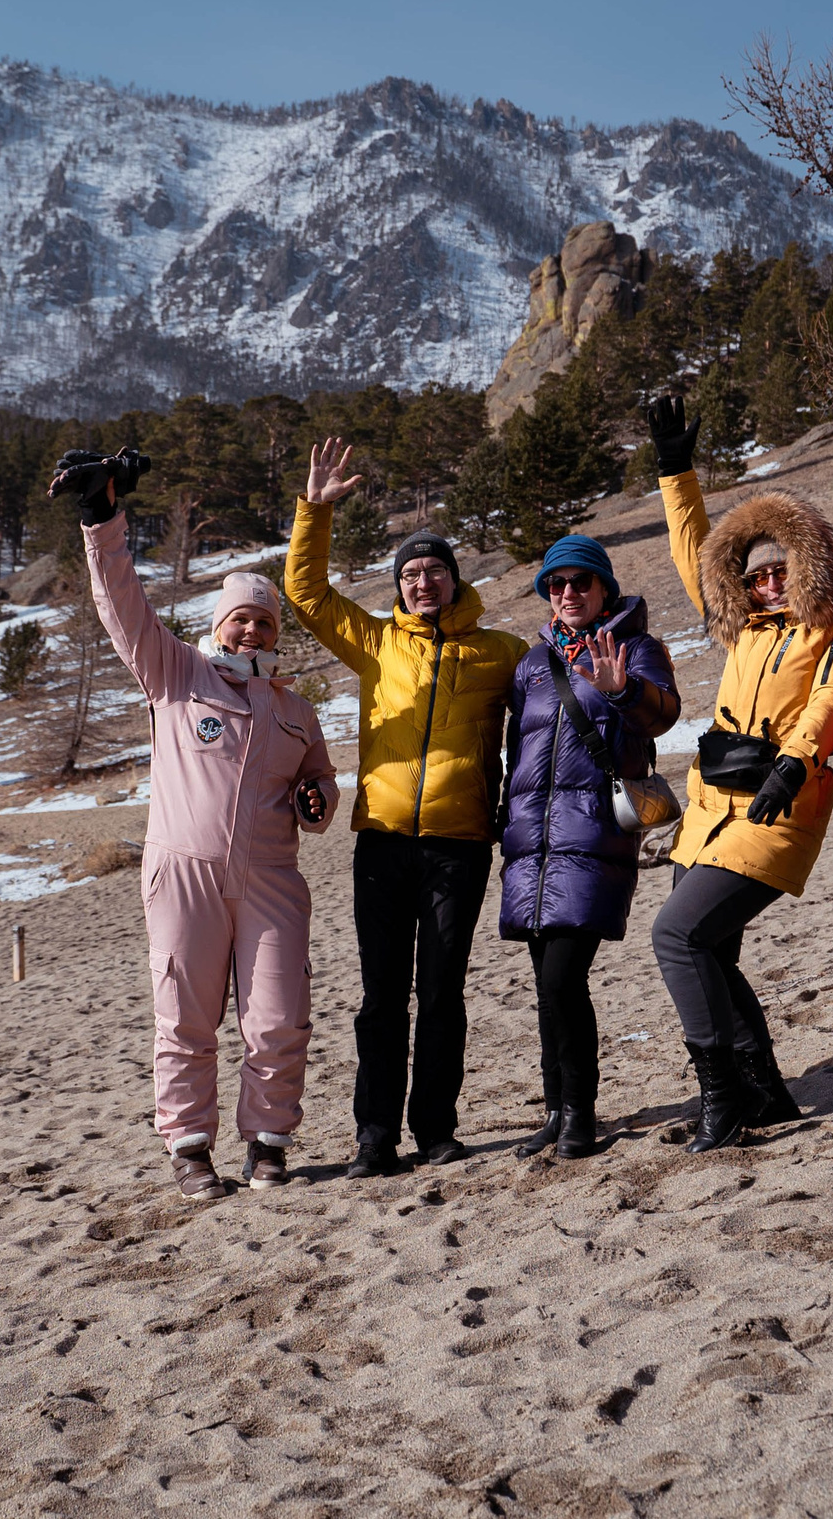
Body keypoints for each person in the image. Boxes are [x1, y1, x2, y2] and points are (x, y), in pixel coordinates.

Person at [50, 445, 339, 1200]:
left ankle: (269, 1145)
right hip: (184, 874)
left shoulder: (296, 710)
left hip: (273, 879)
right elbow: (122, 604)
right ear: (221, 625)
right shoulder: (177, 675)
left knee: (277, 1016)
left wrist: (318, 800)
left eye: (264, 623)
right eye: (241, 620)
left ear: (277, 634)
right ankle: (190, 1151)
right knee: (185, 1016)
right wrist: (101, 519)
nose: (252, 632)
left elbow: (319, 787)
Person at [286, 438, 527, 1177]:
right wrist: (316, 512)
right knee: (381, 998)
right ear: (398, 587)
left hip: (460, 846)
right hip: (383, 844)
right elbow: (306, 594)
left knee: (444, 994)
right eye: (411, 574)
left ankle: (436, 1130)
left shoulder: (501, 651)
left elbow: (561, 702)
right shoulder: (376, 645)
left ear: (456, 581)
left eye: (435, 571)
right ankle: (373, 1135)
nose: (423, 583)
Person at [641, 393, 833, 1152]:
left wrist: (795, 766)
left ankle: (723, 1099)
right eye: (757, 575)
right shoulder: (740, 631)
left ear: (803, 569)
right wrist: (676, 470)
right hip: (708, 809)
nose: (768, 584)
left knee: (676, 937)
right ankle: (766, 1095)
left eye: (780, 573)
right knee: (712, 956)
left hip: (778, 808)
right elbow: (693, 548)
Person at [498, 536, 680, 1161]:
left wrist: (624, 689)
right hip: (531, 843)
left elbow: (664, 716)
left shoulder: (636, 647)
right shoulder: (530, 663)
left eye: (580, 581)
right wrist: (507, 822)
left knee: (563, 978)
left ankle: (579, 1112)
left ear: (604, 587)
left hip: (593, 833)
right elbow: (516, 752)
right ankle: (556, 1109)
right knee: (547, 985)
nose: (568, 592)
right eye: (556, 584)